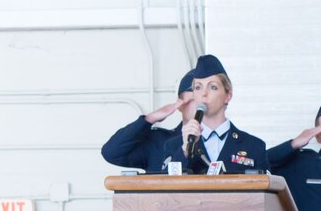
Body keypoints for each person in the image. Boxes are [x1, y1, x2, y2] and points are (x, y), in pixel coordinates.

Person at [102, 54, 269, 174]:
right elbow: (166, 191)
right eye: (197, 89)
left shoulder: (253, 146)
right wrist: (150, 120)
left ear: (227, 96)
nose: (203, 96)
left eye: (212, 87)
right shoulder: (171, 144)